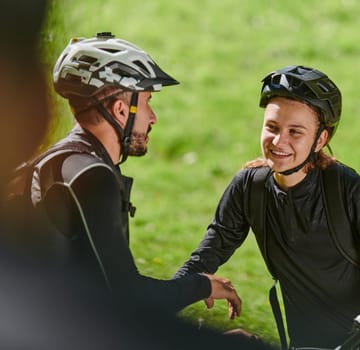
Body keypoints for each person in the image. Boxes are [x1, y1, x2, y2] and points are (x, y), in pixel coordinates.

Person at [176, 65, 360, 349]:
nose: (278, 141)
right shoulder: (250, 188)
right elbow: (207, 255)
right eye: (272, 127)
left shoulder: (349, 191)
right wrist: (165, 302)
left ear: (321, 139)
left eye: (295, 132)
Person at [27, 32, 241, 318]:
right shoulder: (92, 177)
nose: (153, 117)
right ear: (119, 109)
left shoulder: (65, 159)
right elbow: (127, 297)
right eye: (147, 102)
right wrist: (201, 286)